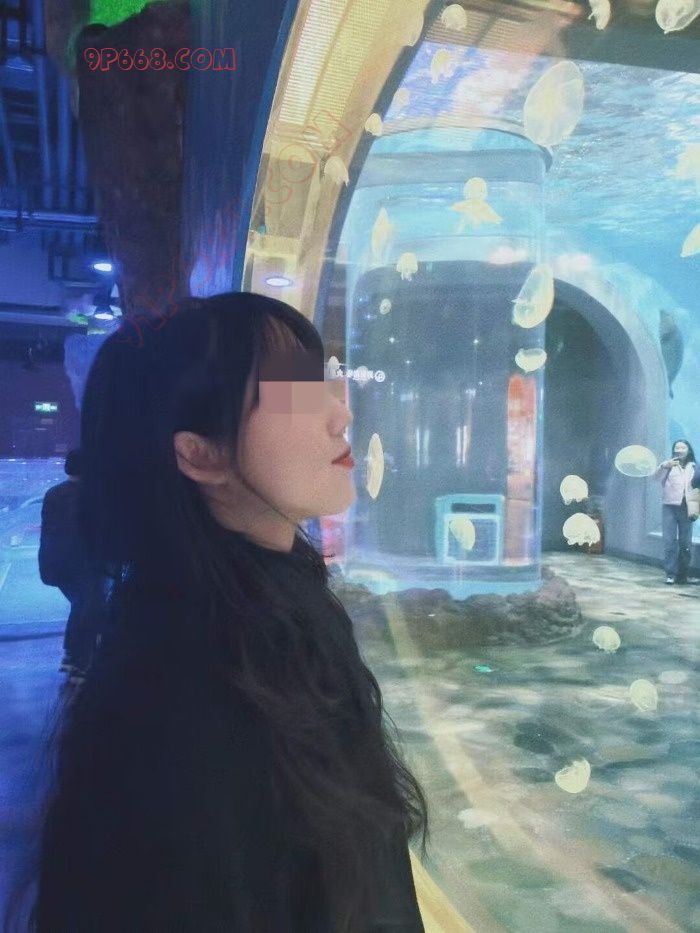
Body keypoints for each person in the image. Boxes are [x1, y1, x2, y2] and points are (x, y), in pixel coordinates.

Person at [5, 292, 429, 933]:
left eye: (321, 381)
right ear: (200, 453)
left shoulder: (289, 607)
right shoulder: (180, 696)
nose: (340, 413)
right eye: (292, 393)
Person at [37, 448, 104, 685]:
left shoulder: (54, 493)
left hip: (54, 563)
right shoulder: (91, 497)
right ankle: (81, 664)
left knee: (81, 606)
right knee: (89, 608)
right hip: (81, 564)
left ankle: (71, 655)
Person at [654, 439, 699, 585]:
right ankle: (670, 574)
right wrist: (664, 466)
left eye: (682, 447)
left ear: (688, 450)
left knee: (685, 543)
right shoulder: (668, 465)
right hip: (669, 507)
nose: (679, 450)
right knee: (669, 542)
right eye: (677, 447)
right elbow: (656, 478)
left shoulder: (695, 466)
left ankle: (682, 575)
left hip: (687, 508)